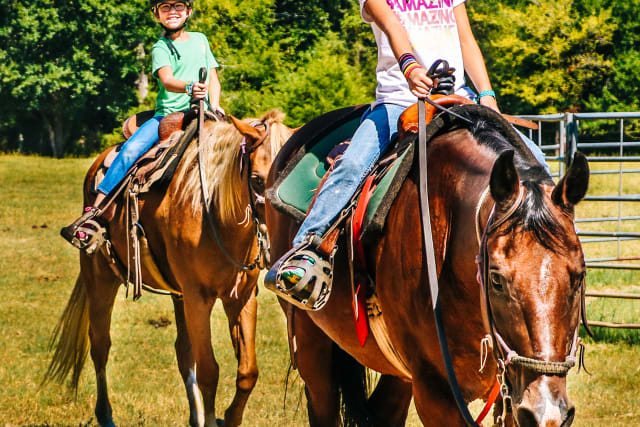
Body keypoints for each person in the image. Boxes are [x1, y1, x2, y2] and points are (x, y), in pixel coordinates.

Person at [268, 0, 548, 301]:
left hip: (458, 97)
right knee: (352, 165)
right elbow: (391, 25)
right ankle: (307, 248)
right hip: (399, 100)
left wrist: (487, 95)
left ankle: (549, 247)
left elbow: (466, 39)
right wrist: (409, 66)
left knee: (536, 160)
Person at [61, 0, 224, 250]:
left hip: (205, 113)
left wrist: (216, 105)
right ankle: (96, 210)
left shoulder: (201, 39)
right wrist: (190, 87)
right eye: (165, 7)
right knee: (130, 150)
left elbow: (213, 77)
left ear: (189, 11)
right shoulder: (161, 46)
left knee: (241, 151)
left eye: (178, 6)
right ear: (156, 14)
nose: (172, 12)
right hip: (167, 117)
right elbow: (167, 80)